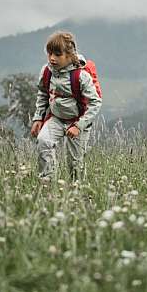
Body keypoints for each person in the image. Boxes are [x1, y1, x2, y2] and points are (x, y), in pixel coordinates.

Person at [31, 31, 102, 180]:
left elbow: (95, 102)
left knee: (75, 164)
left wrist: (79, 126)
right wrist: (38, 118)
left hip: (77, 121)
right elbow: (43, 94)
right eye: (49, 53)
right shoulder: (47, 72)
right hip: (56, 119)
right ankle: (48, 183)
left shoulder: (81, 76)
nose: (52, 58)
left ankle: (77, 192)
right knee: (43, 142)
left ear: (70, 55)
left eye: (57, 54)